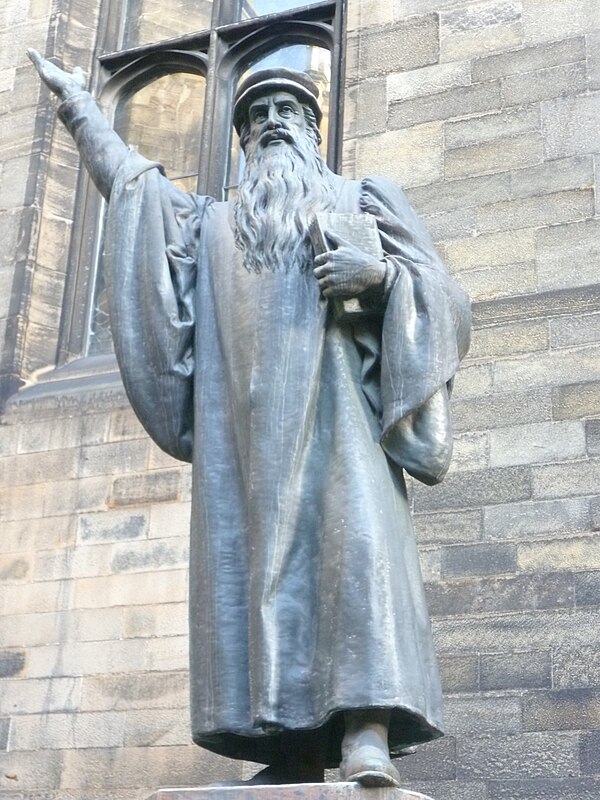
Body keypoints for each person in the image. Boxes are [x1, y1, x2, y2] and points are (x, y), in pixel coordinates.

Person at [28, 50, 471, 787]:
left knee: (355, 555)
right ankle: (291, 744)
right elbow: (136, 193)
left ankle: (366, 732)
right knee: (256, 573)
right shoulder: (213, 225)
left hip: (343, 428)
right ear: (241, 138)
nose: (269, 123)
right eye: (254, 115)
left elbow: (448, 300)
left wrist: (383, 277)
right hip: (245, 443)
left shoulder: (364, 199)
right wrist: (82, 112)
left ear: (313, 128)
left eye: (285, 110)